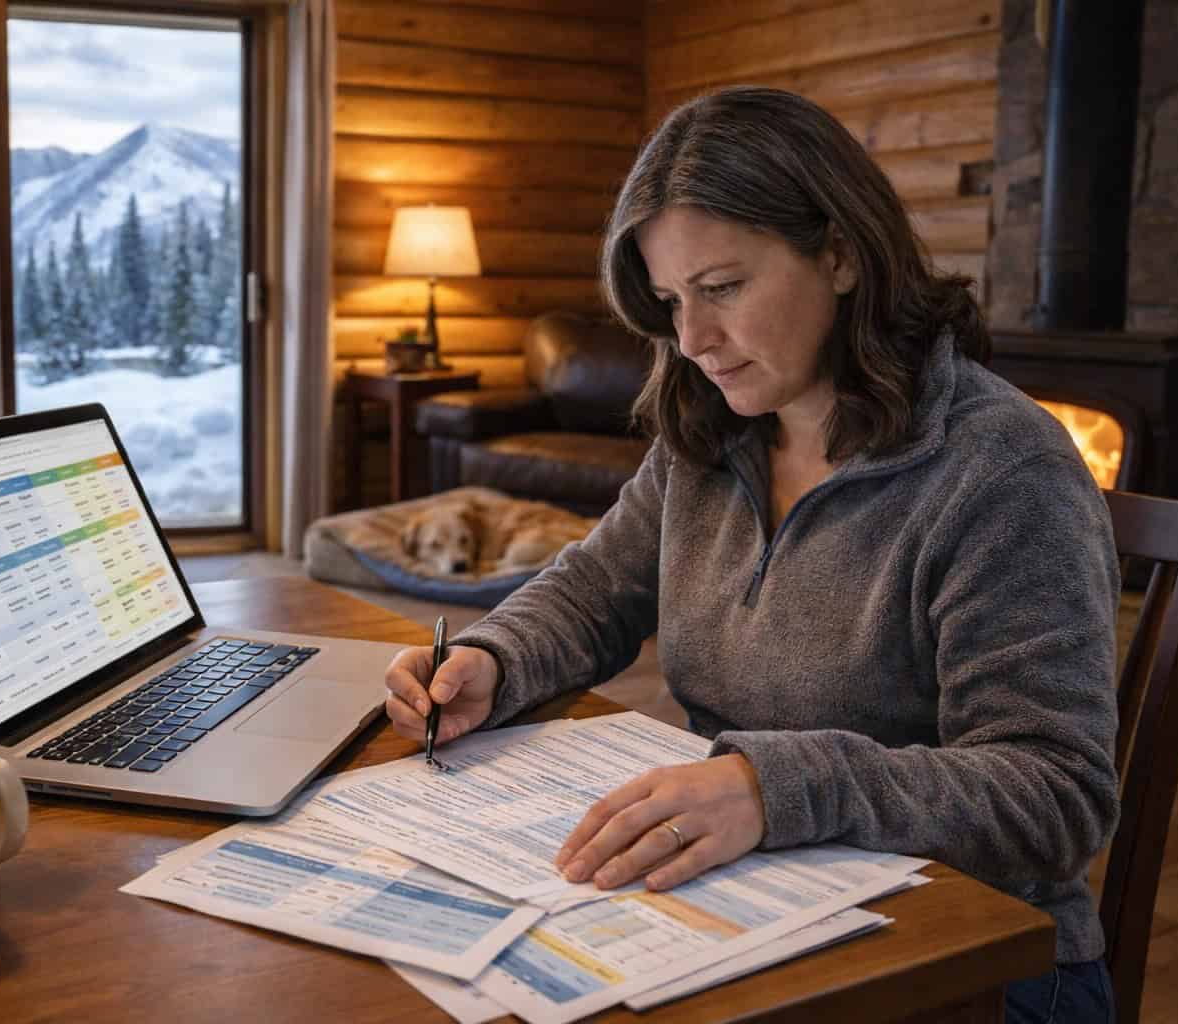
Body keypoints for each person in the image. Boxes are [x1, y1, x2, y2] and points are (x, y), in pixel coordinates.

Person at [382, 87, 1120, 1023]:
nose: (692, 341)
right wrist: (493, 658)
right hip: (754, 908)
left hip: (974, 964)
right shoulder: (713, 432)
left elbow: (1053, 797)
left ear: (842, 253)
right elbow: (596, 588)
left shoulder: (1000, 468)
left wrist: (772, 789)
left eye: (722, 288)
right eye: (670, 302)